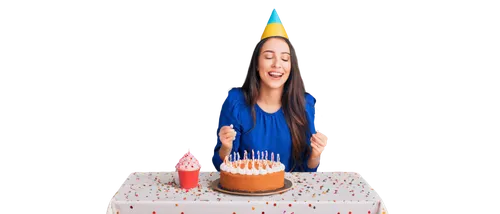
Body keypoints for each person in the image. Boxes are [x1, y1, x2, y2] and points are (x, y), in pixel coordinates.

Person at [210, 7, 329, 172]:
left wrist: (316, 155)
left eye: (285, 59)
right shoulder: (235, 101)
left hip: (291, 195)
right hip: (247, 192)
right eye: (268, 57)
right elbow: (219, 165)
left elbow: (307, 170)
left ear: (291, 66)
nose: (277, 65)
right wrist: (226, 147)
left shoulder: (305, 104)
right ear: (257, 64)